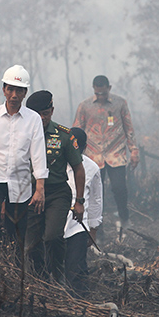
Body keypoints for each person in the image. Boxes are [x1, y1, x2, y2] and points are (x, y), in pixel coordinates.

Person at [0, 65, 48, 250]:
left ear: (25, 93)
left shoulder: (33, 119)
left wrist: (40, 188)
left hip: (20, 182)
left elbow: (37, 155)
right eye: (10, 89)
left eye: (18, 90)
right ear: (3, 90)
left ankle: (13, 265)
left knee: (17, 230)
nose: (14, 95)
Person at [24, 90, 85, 282]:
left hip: (57, 193)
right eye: (37, 114)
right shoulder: (21, 134)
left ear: (52, 110)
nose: (42, 118)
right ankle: (40, 280)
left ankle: (58, 276)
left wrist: (79, 201)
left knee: (52, 237)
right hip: (30, 194)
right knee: (30, 246)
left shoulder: (64, 136)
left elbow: (78, 169)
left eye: (46, 113)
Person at [73, 75, 139, 235]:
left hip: (116, 154)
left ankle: (124, 218)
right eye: (98, 93)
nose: (101, 96)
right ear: (94, 89)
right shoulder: (85, 106)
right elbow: (76, 129)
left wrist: (134, 150)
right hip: (93, 156)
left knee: (119, 188)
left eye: (104, 93)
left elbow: (128, 127)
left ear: (109, 88)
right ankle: (96, 227)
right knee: (94, 193)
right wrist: (74, 153)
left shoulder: (120, 104)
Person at [64, 127, 103, 296]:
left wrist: (92, 229)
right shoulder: (53, 164)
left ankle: (79, 303)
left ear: (84, 147)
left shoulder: (92, 168)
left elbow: (96, 200)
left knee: (76, 268)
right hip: (53, 221)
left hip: (78, 225)